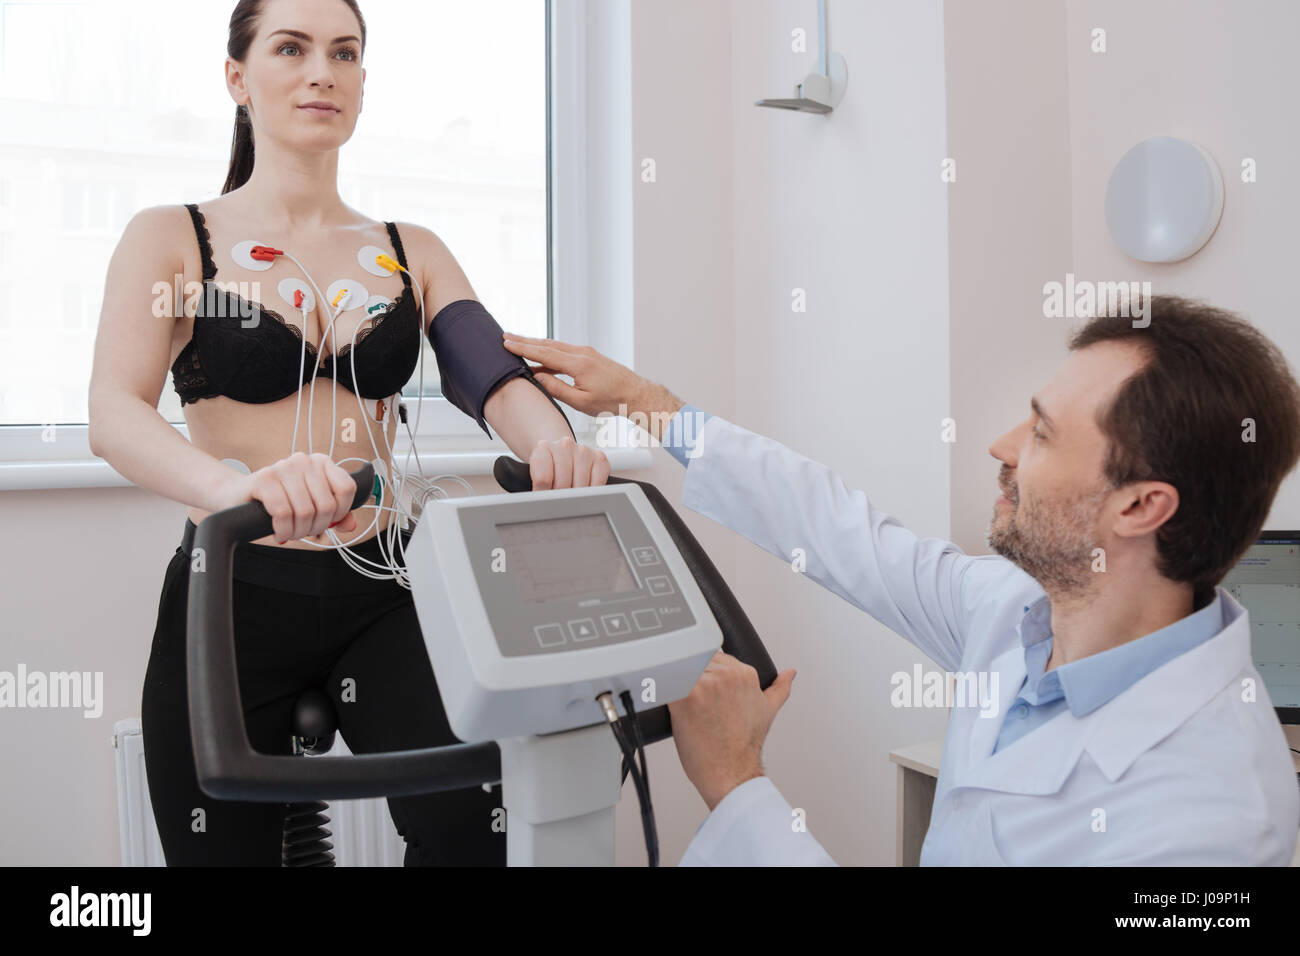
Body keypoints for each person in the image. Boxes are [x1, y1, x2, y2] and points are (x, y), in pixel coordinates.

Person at [502, 294, 1300, 865]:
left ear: (1140, 505)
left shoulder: (1212, 823)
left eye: (1044, 434)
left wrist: (739, 785)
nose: (1001, 444)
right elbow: (842, 533)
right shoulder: (1023, 612)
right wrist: (647, 404)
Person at [86, 0, 609, 866]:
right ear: (237, 78)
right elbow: (114, 411)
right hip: (230, 596)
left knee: (471, 836)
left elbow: (491, 375)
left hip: (384, 586)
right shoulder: (172, 239)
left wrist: (552, 442)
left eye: (345, 52)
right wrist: (237, 490)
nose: (321, 70)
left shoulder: (408, 248)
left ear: (363, 81)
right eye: (290, 48)